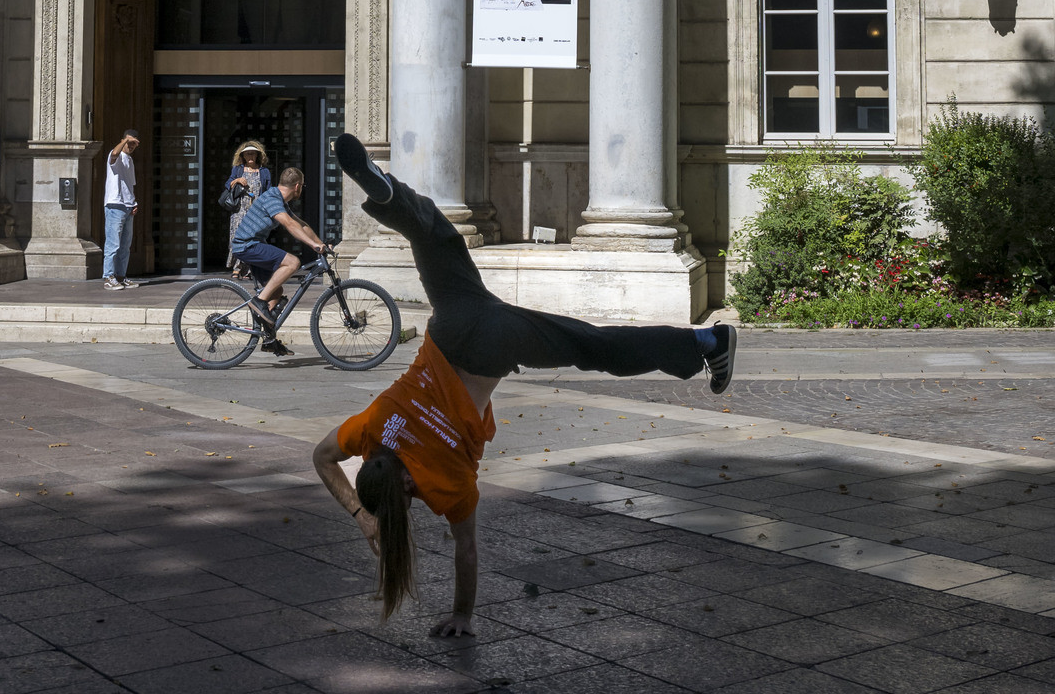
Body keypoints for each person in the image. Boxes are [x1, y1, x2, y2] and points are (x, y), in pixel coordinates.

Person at [312, 134, 737, 639]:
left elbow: (465, 551)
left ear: (405, 487)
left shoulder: (442, 484)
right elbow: (321, 458)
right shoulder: (370, 431)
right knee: (433, 234)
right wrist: (360, 510)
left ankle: (707, 342)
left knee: (594, 346)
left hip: (492, 343)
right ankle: (385, 191)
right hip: (455, 317)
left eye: (406, 501)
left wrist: (462, 614)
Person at [229, 162, 326, 352]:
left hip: (254, 244)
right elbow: (288, 224)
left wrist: (321, 244)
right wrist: (312, 245)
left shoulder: (279, 200)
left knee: (276, 293)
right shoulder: (273, 197)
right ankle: (258, 302)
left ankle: (268, 340)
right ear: (297, 186)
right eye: (302, 187)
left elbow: (301, 224)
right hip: (247, 245)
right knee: (293, 262)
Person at [220, 140, 271, 274]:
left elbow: (267, 190)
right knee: (237, 238)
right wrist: (237, 180)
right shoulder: (238, 169)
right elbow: (227, 184)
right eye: (247, 154)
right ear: (242, 156)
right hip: (239, 210)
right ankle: (237, 268)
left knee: (254, 239)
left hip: (256, 211)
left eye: (253, 154)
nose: (250, 157)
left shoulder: (264, 171)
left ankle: (250, 270)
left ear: (257, 155)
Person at [101, 129, 140, 290]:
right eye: (129, 142)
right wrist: (125, 140)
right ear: (123, 140)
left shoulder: (129, 161)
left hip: (128, 206)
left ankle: (120, 276)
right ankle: (108, 277)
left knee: (125, 245)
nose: (131, 146)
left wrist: (134, 202)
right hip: (114, 205)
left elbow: (129, 185)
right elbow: (115, 153)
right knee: (113, 244)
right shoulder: (115, 155)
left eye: (134, 143)